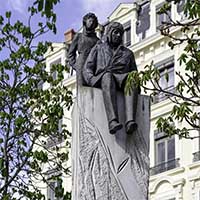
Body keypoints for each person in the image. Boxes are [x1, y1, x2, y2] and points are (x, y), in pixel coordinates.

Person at [83, 22, 139, 134]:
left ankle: (130, 121)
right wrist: (92, 79)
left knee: (132, 78)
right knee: (107, 77)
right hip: (103, 77)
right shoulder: (99, 48)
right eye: (115, 32)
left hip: (122, 77)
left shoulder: (128, 53)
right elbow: (87, 67)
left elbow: (134, 71)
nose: (118, 35)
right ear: (109, 33)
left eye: (120, 33)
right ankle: (113, 121)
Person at [67, 13, 99, 85]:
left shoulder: (97, 40)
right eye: (90, 21)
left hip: (93, 66)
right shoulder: (79, 36)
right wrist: (76, 66)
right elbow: (70, 54)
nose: (92, 23)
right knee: (81, 87)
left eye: (93, 22)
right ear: (85, 22)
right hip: (81, 62)